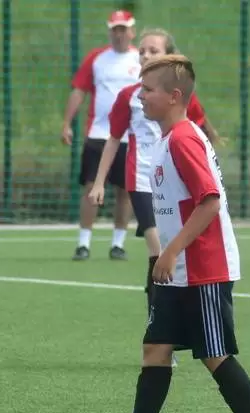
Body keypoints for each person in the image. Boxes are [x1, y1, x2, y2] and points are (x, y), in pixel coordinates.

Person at [82, 55, 250, 413]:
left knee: (215, 354)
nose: (140, 97)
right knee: (156, 348)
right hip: (180, 269)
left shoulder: (182, 139)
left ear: (174, 96)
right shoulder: (166, 139)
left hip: (203, 267)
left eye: (148, 90)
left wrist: (172, 250)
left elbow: (209, 202)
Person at [88, 28, 219, 321]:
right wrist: (99, 182)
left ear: (168, 57)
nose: (146, 55)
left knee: (173, 250)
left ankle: (171, 320)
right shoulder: (129, 96)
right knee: (158, 249)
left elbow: (199, 131)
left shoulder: (180, 97)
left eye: (154, 51)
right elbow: (114, 139)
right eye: (142, 51)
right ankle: (158, 322)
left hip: (173, 183)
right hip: (142, 180)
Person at [62, 10, 140, 261]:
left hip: (130, 135)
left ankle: (118, 243)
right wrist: (67, 123)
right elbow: (79, 90)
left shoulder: (141, 59)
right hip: (99, 133)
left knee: (125, 190)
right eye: (114, 29)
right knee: (91, 187)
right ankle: (83, 243)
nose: (119, 34)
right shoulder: (97, 59)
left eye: (123, 29)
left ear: (132, 31)